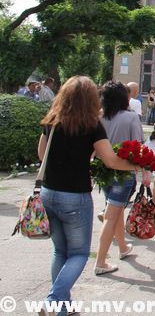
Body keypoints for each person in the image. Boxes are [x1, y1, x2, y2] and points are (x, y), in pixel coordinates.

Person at [37, 76, 138, 315]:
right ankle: (53, 301)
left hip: (48, 193)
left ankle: (62, 308)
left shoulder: (52, 120)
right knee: (79, 253)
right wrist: (136, 165)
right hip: (75, 196)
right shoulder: (92, 125)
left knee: (60, 251)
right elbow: (110, 160)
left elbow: (41, 155)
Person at [95, 81, 145, 276]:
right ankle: (100, 261)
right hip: (124, 171)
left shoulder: (99, 117)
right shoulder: (131, 117)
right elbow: (139, 145)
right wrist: (144, 170)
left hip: (103, 171)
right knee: (111, 216)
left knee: (115, 210)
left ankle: (123, 247)